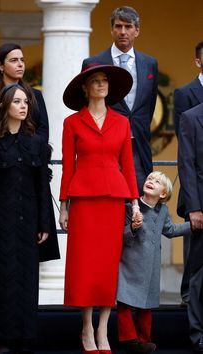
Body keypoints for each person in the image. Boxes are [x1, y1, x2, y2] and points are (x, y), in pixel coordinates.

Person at [59, 63, 139, 354]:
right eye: (96, 80)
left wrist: (135, 203)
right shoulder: (72, 123)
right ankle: (86, 327)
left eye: (105, 80)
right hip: (83, 200)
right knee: (85, 266)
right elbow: (69, 164)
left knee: (107, 267)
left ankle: (103, 329)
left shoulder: (122, 122)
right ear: (85, 87)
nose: (102, 85)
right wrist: (64, 206)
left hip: (113, 200)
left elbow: (128, 165)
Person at [0, 84, 60, 354]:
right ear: (4, 106)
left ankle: (25, 337)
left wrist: (46, 224)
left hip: (28, 224)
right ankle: (2, 339)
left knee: (26, 280)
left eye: (26, 102)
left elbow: (41, 187)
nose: (24, 106)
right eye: (18, 102)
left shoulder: (36, 143)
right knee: (0, 281)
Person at [82, 6, 158, 193]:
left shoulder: (150, 63)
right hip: (105, 144)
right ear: (111, 29)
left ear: (137, 30)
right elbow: (87, 105)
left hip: (138, 144)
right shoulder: (93, 63)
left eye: (128, 26)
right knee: (107, 194)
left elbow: (149, 104)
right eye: (118, 26)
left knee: (140, 198)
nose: (122, 31)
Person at [117, 171, 191, 353]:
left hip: (150, 266)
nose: (151, 181)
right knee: (124, 301)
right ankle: (129, 339)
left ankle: (144, 339)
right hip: (128, 265)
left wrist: (193, 225)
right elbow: (120, 236)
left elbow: (171, 230)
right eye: (150, 178)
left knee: (146, 303)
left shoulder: (163, 211)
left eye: (157, 181)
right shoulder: (130, 207)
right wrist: (132, 228)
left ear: (163, 194)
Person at [174, 41, 203, 305]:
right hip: (195, 185)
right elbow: (186, 152)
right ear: (198, 61)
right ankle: (188, 296)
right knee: (194, 252)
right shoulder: (185, 94)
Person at [0, 43, 50, 142]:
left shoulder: (36, 94)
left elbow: (43, 131)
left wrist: (32, 150)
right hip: (3, 154)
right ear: (1, 66)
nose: (20, 64)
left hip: (32, 154)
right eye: (14, 60)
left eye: (22, 60)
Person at [178, 102, 203, 352]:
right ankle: (199, 334)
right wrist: (194, 208)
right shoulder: (190, 117)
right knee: (199, 276)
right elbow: (186, 165)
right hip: (201, 208)